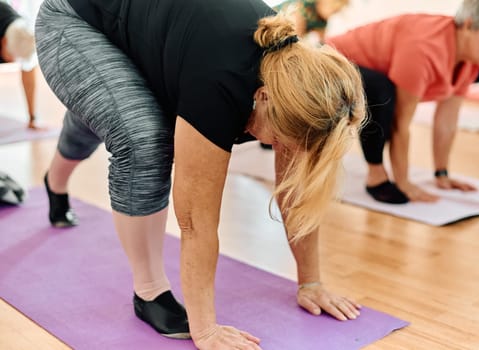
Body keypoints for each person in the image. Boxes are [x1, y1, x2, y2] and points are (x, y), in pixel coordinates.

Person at [35, 0, 365, 348]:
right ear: (263, 97)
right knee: (142, 138)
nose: (282, 152)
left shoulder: (298, 84)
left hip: (143, 33)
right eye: (281, 142)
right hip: (71, 22)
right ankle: (149, 293)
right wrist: (205, 329)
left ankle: (53, 182)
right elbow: (196, 221)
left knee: (101, 113)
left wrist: (310, 282)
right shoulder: (221, 81)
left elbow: (296, 191)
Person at [327, 0, 479, 204]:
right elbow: (400, 124)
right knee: (383, 92)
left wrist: (442, 174)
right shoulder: (423, 47)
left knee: (384, 90)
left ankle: (395, 174)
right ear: (469, 23)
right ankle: (376, 175)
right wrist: (404, 183)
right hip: (328, 65)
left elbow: (447, 117)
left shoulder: (471, 56)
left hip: (364, 72)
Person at [0, 1, 39, 129]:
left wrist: (32, 118)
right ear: (4, 42)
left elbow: (29, 79)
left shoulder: (24, 35)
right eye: (14, 57)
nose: (15, 61)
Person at [275, 0, 350, 43]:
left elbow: (324, 42)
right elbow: (296, 27)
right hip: (276, 17)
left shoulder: (323, 22)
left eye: (336, 12)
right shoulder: (307, 4)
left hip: (287, 34)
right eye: (333, 9)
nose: (332, 14)